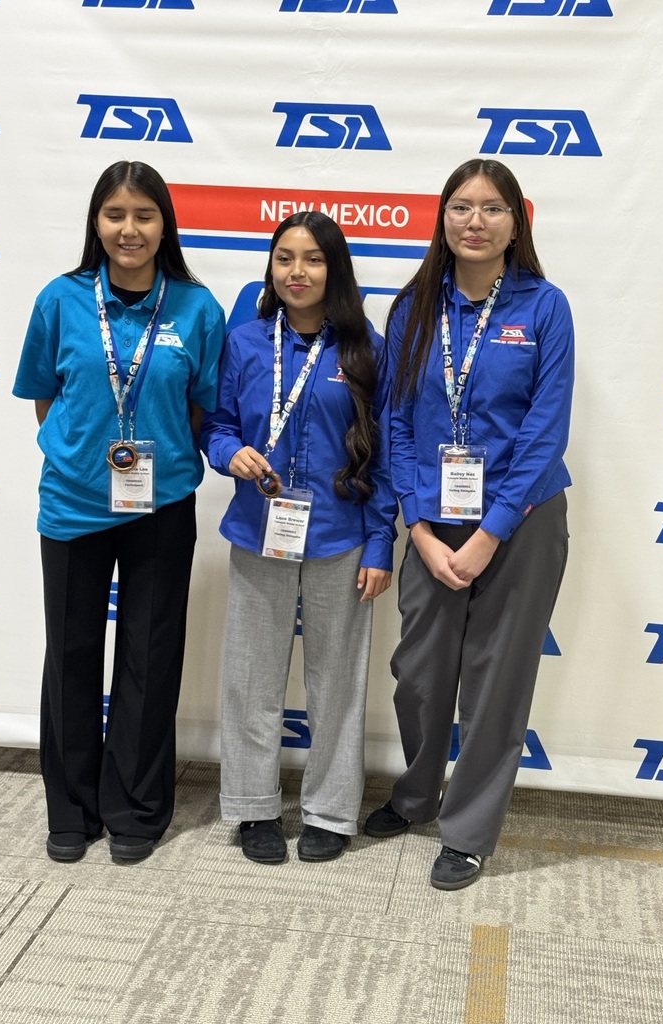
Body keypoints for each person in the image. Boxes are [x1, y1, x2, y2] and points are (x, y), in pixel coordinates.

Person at [364, 159, 573, 890]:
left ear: (517, 221)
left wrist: (491, 535)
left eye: (492, 208)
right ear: (442, 219)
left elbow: (545, 433)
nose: (475, 220)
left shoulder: (544, 308)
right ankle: (417, 794)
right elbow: (393, 422)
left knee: (495, 682)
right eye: (461, 206)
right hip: (432, 520)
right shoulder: (414, 308)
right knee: (418, 674)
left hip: (522, 522)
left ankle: (469, 830)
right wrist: (418, 528)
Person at [13, 160, 225, 864]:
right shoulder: (62, 299)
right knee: (71, 654)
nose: (128, 229)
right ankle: (71, 806)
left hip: (160, 504)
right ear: (96, 223)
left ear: (165, 224)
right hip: (73, 502)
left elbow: (199, 409)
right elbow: (47, 397)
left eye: (144, 215)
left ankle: (134, 805)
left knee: (148, 655)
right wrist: (81, 454)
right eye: (115, 215)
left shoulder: (196, 308)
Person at [202, 211, 397, 864]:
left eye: (312, 259)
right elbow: (218, 425)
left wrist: (379, 545)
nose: (297, 271)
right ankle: (254, 808)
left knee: (336, 681)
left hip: (341, 538)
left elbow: (385, 455)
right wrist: (231, 454)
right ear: (271, 267)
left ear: (334, 269)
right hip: (260, 532)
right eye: (284, 257)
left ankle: (330, 811)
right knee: (252, 678)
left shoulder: (364, 347)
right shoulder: (247, 341)